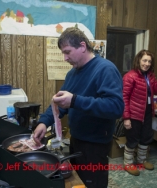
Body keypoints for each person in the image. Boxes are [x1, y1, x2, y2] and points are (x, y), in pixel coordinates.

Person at [33, 27, 124, 188]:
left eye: (67, 52)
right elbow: (62, 103)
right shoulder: (72, 74)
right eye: (63, 53)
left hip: (95, 145)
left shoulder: (105, 69)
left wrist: (75, 101)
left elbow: (116, 107)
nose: (65, 58)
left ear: (82, 46)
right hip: (76, 141)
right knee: (77, 184)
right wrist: (44, 122)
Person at [122, 49, 157, 176]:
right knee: (132, 139)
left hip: (147, 113)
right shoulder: (130, 76)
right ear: (138, 60)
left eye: (149, 61)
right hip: (134, 114)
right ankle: (128, 163)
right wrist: (126, 117)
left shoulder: (150, 76)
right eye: (144, 60)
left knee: (146, 138)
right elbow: (124, 97)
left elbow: (156, 91)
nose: (146, 64)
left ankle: (141, 160)